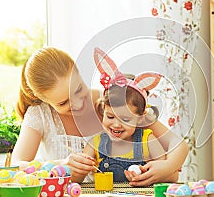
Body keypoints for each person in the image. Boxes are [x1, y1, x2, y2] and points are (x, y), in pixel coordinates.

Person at [11, 46, 188, 186]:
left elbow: (177, 145)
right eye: (63, 103)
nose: (78, 104)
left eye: (79, 90)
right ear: (44, 100)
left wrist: (167, 167)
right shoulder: (40, 115)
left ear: (80, 74)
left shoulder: (113, 101)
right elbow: (15, 166)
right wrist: (60, 164)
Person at [76, 48, 178, 184]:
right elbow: (77, 180)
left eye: (125, 119)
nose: (116, 125)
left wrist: (149, 175)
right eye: (110, 117)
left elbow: (171, 176)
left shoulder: (147, 141)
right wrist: (79, 168)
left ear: (140, 118)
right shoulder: (95, 144)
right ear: (103, 110)